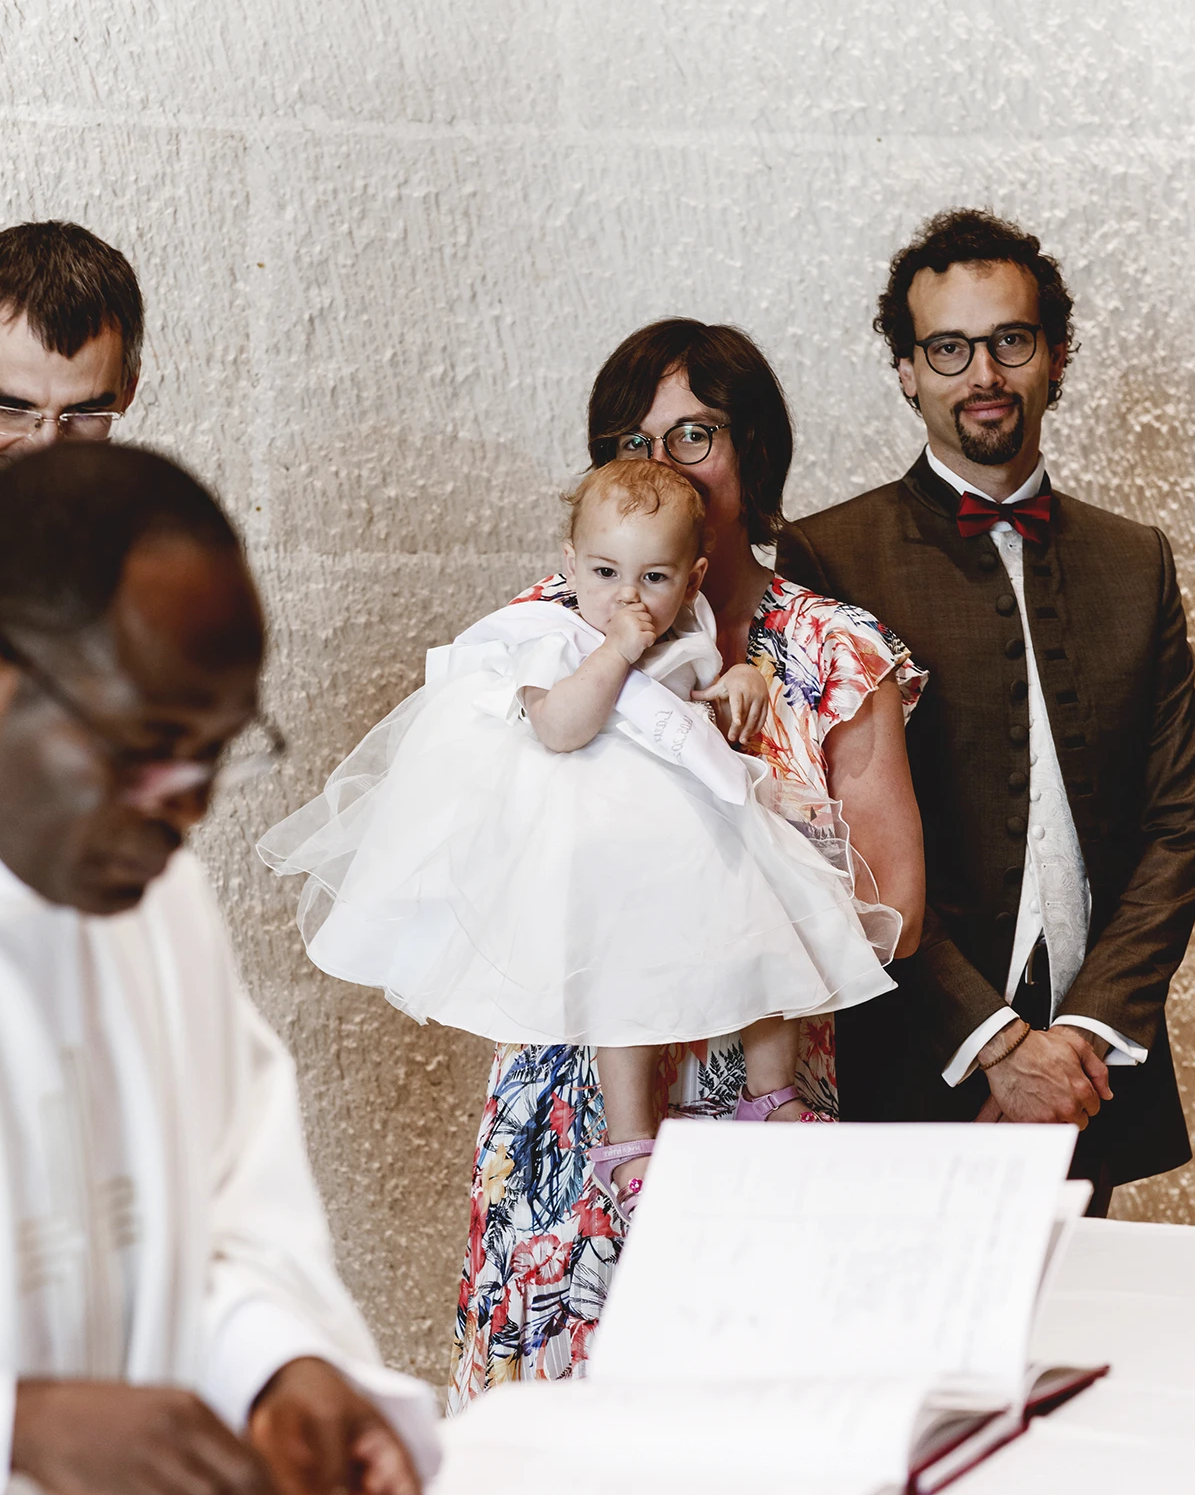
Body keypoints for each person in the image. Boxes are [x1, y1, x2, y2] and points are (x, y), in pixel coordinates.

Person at [0, 444, 436, 1495]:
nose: (188, 813)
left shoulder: (153, 903)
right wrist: (14, 1428)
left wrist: (278, 1367)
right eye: (149, 752)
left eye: (215, 756)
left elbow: (215, 1215)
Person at [445, 319, 927, 1407]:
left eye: (695, 433)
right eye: (635, 438)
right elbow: (477, 838)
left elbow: (898, 906)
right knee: (548, 1439)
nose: (664, 463)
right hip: (571, 1107)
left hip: (752, 1091)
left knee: (738, 1426)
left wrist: (747, 850)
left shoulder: (829, 649)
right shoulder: (546, 625)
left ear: (752, 452)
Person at [259, 458, 901, 1220]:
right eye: (604, 571)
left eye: (654, 579)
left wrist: (743, 680)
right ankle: (630, 1140)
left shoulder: (688, 625)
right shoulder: (544, 635)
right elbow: (562, 727)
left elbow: (693, 702)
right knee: (619, 996)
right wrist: (617, 650)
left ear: (692, 579)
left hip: (695, 833)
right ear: (570, 565)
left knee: (772, 934)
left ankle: (774, 1093)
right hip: (607, 854)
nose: (628, 596)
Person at [778, 209, 1195, 1216]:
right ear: (906, 371)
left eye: (1009, 341)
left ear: (1053, 356)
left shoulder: (1134, 559)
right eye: (948, 348)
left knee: (1068, 1351)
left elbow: (1180, 821)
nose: (982, 373)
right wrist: (993, 1045)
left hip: (1086, 1078)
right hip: (907, 1062)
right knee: (900, 1361)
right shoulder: (825, 559)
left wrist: (1079, 1038)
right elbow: (824, 842)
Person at [0, 220, 143, 653]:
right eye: (10, 408)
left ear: (129, 390)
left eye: (85, 412)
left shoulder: (145, 531)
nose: (46, 447)